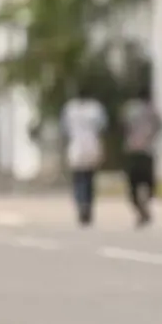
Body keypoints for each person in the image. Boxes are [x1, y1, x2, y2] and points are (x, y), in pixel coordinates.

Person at [59, 89, 107, 226]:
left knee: (78, 179)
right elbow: (103, 127)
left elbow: (64, 130)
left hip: (76, 147)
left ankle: (81, 203)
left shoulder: (70, 108)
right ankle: (88, 205)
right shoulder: (96, 108)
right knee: (89, 179)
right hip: (92, 145)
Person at [120, 90, 162, 227]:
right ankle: (146, 203)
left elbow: (123, 127)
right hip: (147, 150)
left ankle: (140, 209)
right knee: (149, 182)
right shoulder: (152, 111)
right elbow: (159, 126)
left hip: (132, 149)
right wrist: (150, 138)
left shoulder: (129, 110)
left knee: (132, 183)